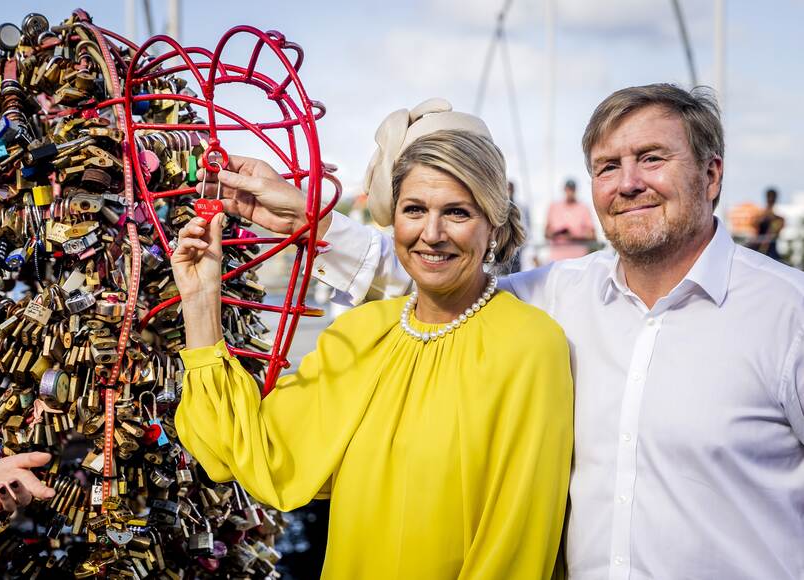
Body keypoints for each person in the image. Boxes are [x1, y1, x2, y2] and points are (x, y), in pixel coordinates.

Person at [207, 83, 804, 579]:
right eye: (607, 166)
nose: (628, 183)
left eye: (652, 158)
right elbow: (431, 281)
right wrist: (307, 217)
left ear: (712, 173)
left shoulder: (788, 316)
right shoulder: (556, 297)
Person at [172, 100, 573, 579]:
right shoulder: (360, 334)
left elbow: (517, 540)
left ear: (494, 225)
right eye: (415, 210)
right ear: (393, 219)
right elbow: (251, 452)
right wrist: (200, 299)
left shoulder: (530, 345)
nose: (432, 233)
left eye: (458, 212)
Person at [544, 179, 596, 261]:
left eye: (572, 189)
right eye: (568, 189)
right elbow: (546, 234)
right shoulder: (553, 207)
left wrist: (573, 237)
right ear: (564, 190)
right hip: (556, 260)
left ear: (575, 190)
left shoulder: (583, 208)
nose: (570, 192)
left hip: (579, 260)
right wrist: (558, 234)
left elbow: (592, 235)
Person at [751, 186, 785, 260]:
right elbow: (753, 225)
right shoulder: (761, 216)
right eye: (769, 197)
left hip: (770, 249)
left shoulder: (778, 219)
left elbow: (777, 232)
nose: (770, 199)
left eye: (772, 197)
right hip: (758, 248)